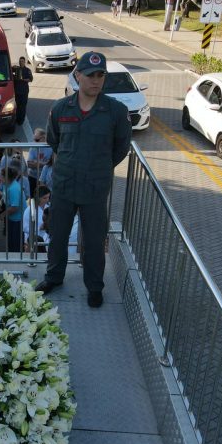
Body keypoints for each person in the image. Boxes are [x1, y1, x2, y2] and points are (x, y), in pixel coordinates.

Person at [36, 51, 131, 308]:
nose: (96, 81)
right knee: (58, 235)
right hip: (64, 185)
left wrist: (99, 167)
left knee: (93, 241)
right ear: (77, 75)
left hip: (95, 189)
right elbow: (54, 140)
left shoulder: (115, 112)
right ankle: (54, 277)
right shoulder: (60, 108)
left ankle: (94, 287)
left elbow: (121, 148)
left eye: (101, 75)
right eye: (90, 75)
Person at [0, 166, 23, 252]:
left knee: (15, 243)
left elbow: (14, 207)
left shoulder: (14, 189)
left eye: (1, 175)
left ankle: (15, 260)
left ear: (7, 177)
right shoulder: (6, 184)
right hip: (11, 218)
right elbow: (5, 196)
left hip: (18, 220)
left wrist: (3, 214)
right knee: (10, 240)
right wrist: (1, 202)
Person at [23, 185, 51, 251]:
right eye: (44, 198)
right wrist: (39, 228)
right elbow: (25, 228)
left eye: (48, 197)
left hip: (46, 240)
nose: (47, 200)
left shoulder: (48, 207)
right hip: (33, 241)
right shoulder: (29, 210)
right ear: (38, 198)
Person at [26, 127, 51, 194]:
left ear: (44, 138)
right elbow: (29, 164)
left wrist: (37, 163)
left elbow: (52, 163)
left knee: (44, 197)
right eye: (34, 139)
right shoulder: (33, 147)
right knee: (32, 197)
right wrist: (45, 164)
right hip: (33, 176)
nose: (34, 142)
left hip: (45, 178)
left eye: (37, 140)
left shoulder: (50, 147)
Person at [13, 57, 33, 126]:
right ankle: (17, 119)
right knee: (17, 106)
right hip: (17, 91)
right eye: (20, 61)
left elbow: (30, 79)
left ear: (24, 62)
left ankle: (21, 120)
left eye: (22, 61)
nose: (21, 62)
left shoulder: (27, 70)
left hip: (24, 91)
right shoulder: (16, 69)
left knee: (23, 106)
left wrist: (23, 79)